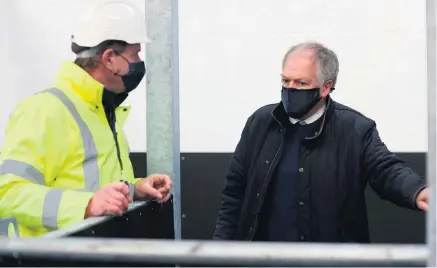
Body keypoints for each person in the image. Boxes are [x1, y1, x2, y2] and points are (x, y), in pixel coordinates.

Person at [213, 42, 428, 243]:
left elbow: (386, 169)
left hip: (330, 260)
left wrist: (416, 190)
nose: (291, 88)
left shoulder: (354, 128)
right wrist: (221, 251)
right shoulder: (260, 123)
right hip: (263, 259)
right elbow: (234, 193)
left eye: (301, 83)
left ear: (326, 88)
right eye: (285, 81)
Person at [0, 0, 172, 237]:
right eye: (135, 54)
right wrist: (85, 206)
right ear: (109, 58)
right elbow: (7, 193)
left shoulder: (102, 111)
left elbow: (96, 189)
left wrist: (134, 190)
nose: (139, 62)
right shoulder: (44, 110)